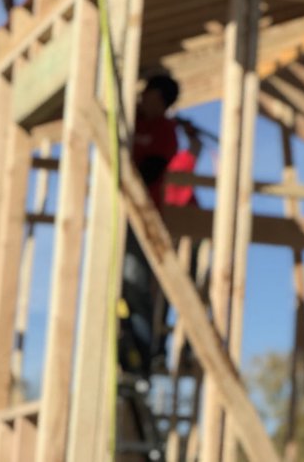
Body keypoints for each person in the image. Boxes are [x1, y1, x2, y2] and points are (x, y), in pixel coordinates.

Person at [119, 72, 203, 379]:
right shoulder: (131, 118)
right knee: (121, 282)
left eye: (151, 96)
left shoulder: (166, 133)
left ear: (163, 102)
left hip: (145, 217)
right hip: (119, 215)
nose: (143, 100)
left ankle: (146, 353)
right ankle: (131, 345)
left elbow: (154, 169)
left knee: (142, 283)